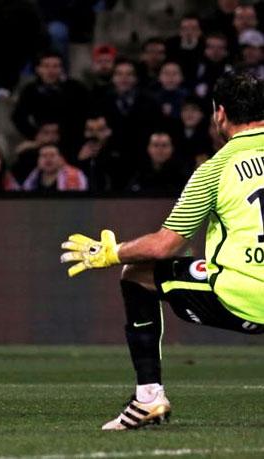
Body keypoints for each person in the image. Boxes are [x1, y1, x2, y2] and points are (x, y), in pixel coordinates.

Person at [60, 71, 264, 430]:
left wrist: (110, 252)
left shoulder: (214, 170)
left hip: (246, 296)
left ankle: (149, 399)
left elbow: (163, 246)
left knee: (137, 274)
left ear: (219, 114)